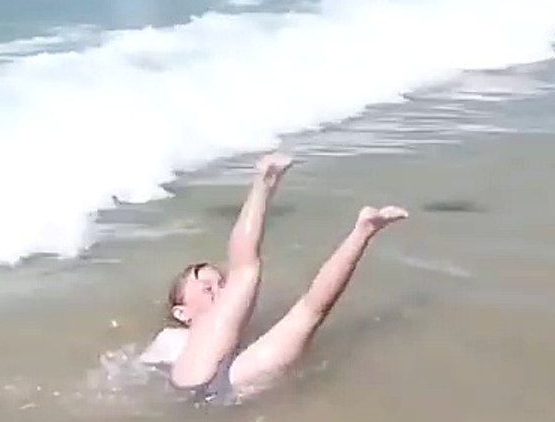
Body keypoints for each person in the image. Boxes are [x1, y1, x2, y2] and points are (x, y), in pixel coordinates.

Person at [138, 153, 407, 405]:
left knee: (311, 312)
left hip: (234, 383)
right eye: (207, 288)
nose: (220, 291)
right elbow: (134, 378)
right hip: (194, 383)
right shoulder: (171, 338)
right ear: (182, 312)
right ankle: (264, 182)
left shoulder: (240, 333)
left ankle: (364, 231)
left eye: (221, 283)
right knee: (245, 270)